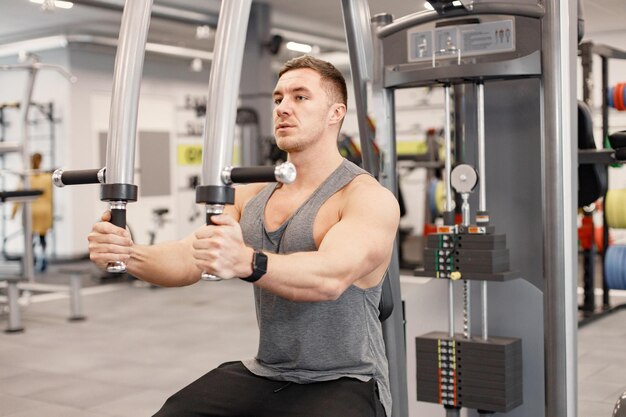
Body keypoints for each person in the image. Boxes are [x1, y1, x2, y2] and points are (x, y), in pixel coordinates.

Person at [88, 55, 400, 417]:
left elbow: (329, 278)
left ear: (335, 113)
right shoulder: (254, 193)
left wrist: (246, 261)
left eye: (300, 97)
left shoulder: (366, 197)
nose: (283, 107)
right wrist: (127, 253)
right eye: (279, 98)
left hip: (347, 379)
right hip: (267, 371)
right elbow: (190, 257)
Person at [12, 152, 53, 272]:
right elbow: (50, 197)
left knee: (30, 239)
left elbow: (17, 196)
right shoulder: (46, 177)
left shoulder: (26, 178)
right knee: (42, 238)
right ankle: (42, 259)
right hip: (45, 211)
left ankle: (31, 260)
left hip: (31, 211)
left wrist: (13, 213)